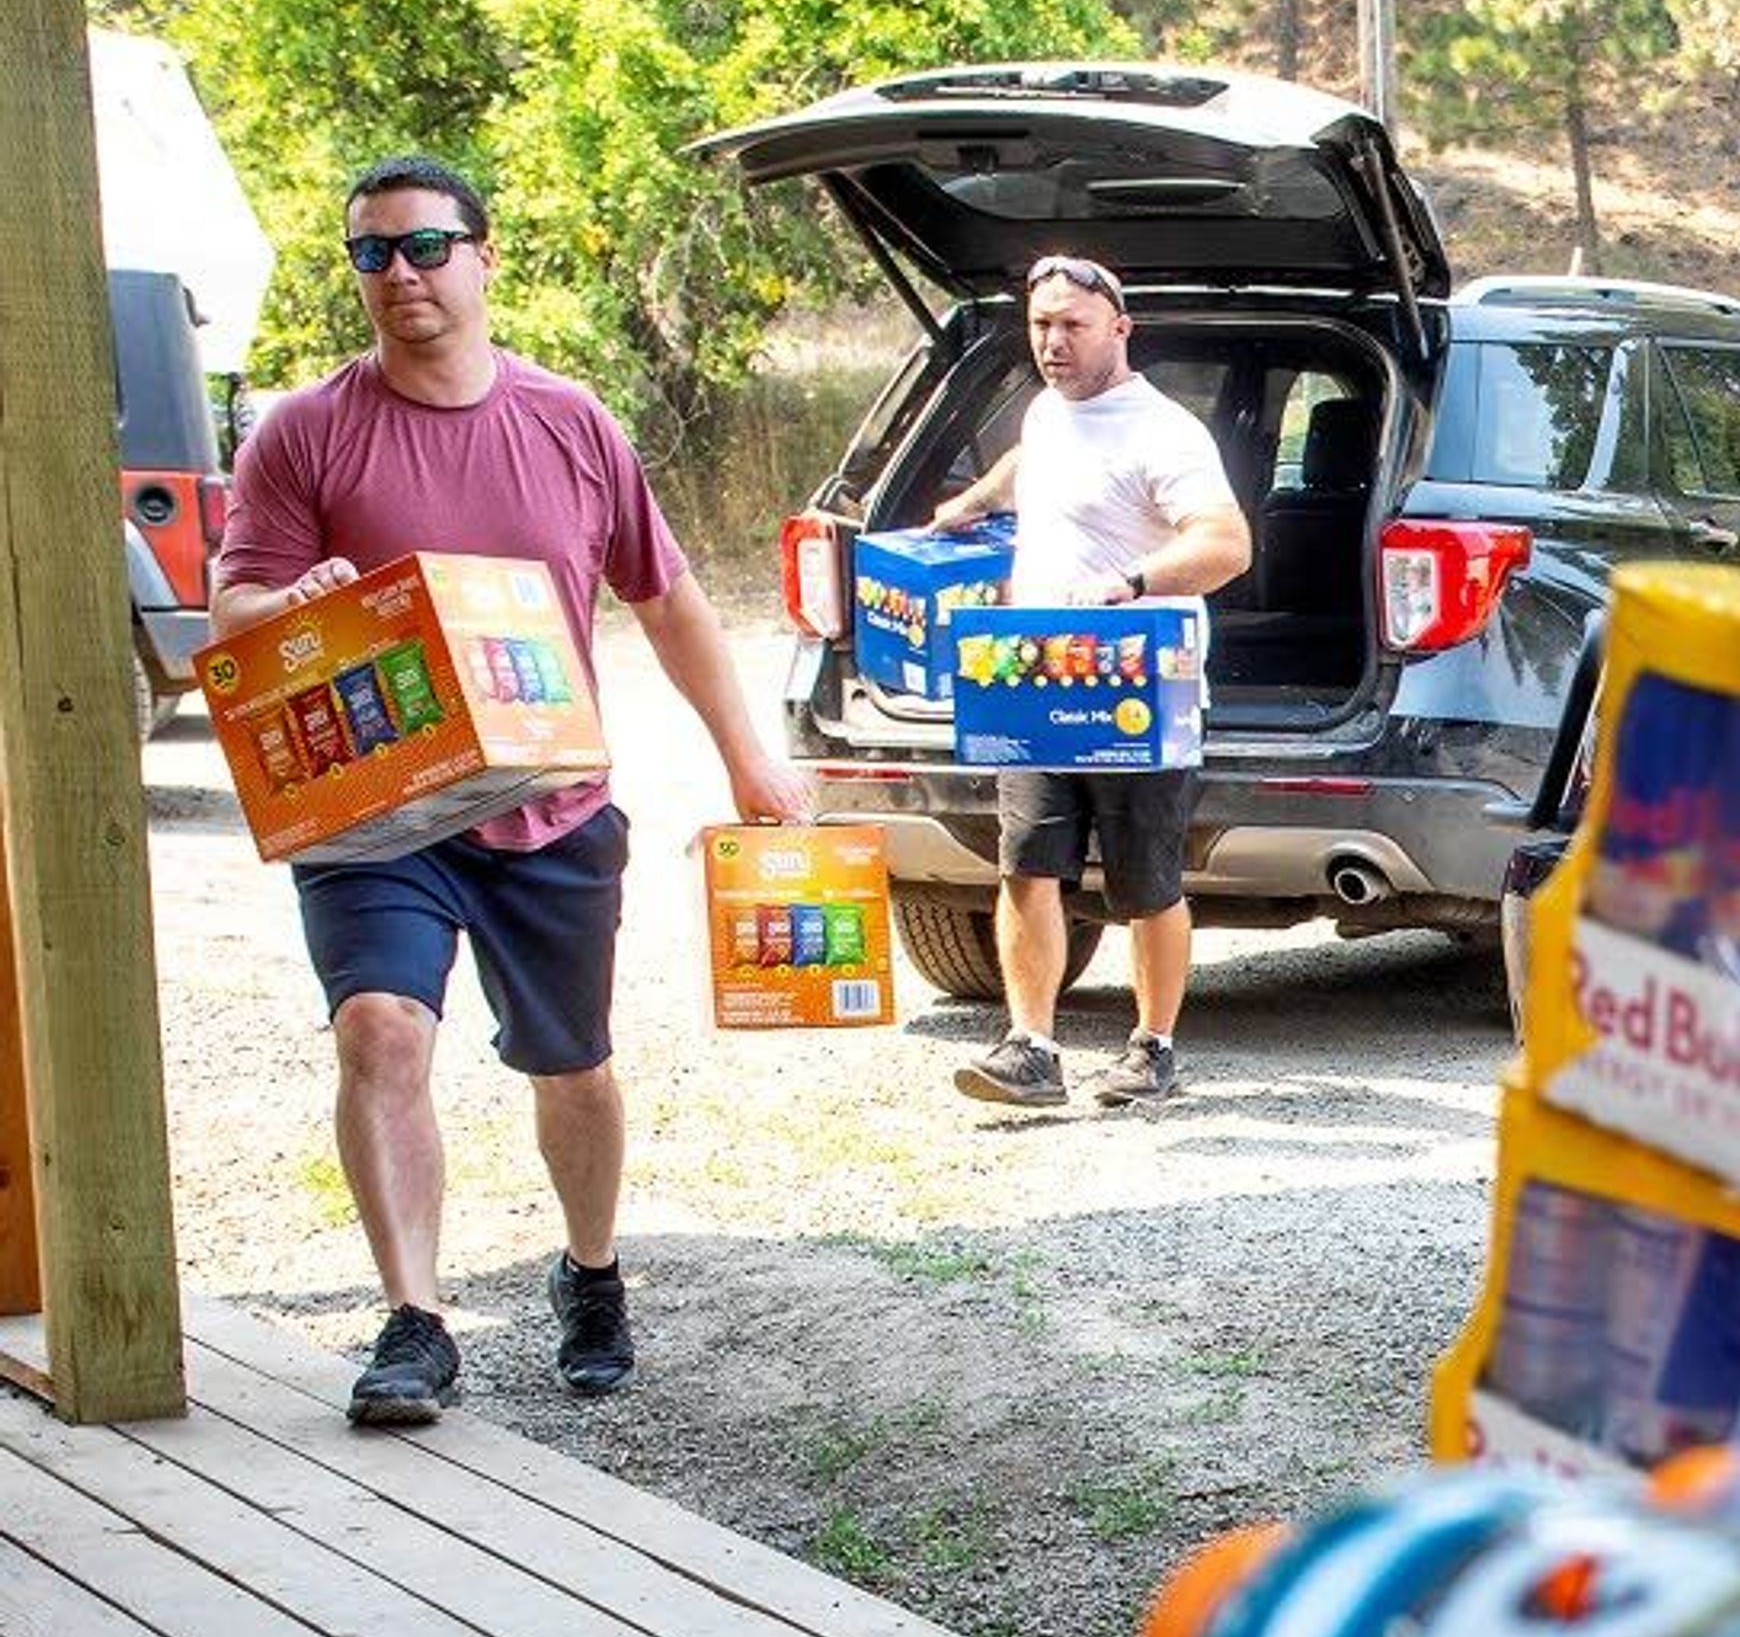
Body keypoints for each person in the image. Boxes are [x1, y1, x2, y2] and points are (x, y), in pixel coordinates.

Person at [213, 156, 808, 1428]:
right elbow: (234, 608)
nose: (400, 277)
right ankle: (415, 1322)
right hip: (381, 812)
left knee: (572, 1065)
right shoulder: (305, 431)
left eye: (425, 248)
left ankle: (591, 1273)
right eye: (372, 256)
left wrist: (746, 755)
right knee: (381, 1029)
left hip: (552, 808)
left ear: (484, 258)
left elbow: (668, 600)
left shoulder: (570, 423)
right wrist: (290, 608)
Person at [928, 254, 1253, 1112]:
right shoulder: (1045, 412)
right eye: (1041, 325)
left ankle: (1153, 1050)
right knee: (1026, 866)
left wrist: (1134, 583)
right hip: (1036, 683)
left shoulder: (1166, 432)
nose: (1053, 342)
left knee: (1146, 883)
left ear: (1121, 329)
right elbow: (1030, 462)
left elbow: (1227, 544)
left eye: (1072, 325)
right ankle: (1029, 1047)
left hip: (1143, 690)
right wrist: (974, 503)